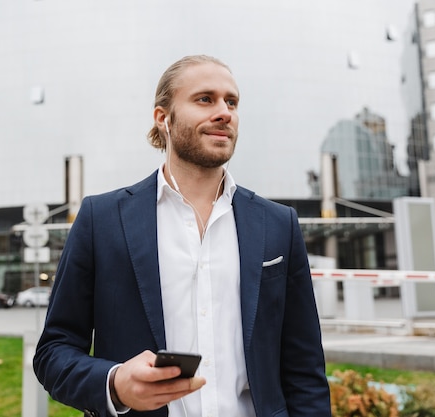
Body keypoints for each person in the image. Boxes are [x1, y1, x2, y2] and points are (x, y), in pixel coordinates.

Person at [34, 55, 331, 417]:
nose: (224, 112)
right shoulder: (102, 219)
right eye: (205, 99)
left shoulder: (278, 223)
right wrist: (115, 383)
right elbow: (54, 352)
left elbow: (305, 369)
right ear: (163, 118)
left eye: (231, 102)